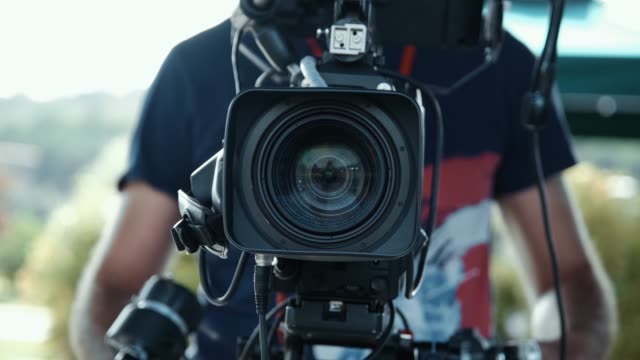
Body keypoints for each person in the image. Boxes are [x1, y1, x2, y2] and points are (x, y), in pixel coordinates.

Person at [69, 11, 617, 360]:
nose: (332, 182)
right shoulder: (206, 67)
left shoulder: (495, 65)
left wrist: (560, 350)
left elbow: (569, 280)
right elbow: (117, 282)